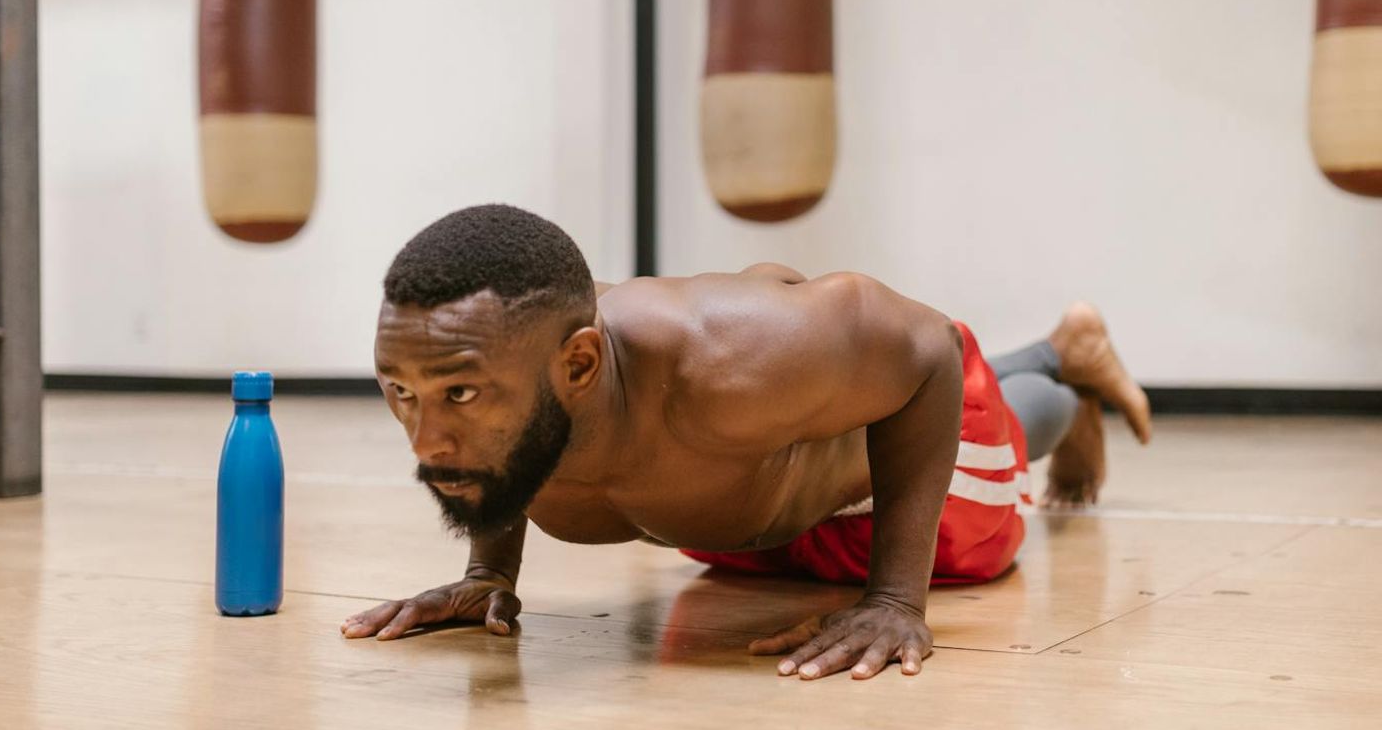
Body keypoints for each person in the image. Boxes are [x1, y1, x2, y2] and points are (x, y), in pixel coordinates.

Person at [342, 205, 1153, 680]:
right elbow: (504, 437)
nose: (427, 436)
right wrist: (488, 571)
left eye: (458, 394)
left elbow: (932, 352)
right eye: (400, 391)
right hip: (747, 503)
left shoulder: (722, 362)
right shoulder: (519, 367)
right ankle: (1056, 356)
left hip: (875, 465)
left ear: (581, 364)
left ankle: (1063, 370)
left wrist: (895, 601)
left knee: (1001, 466)